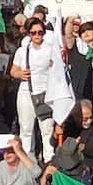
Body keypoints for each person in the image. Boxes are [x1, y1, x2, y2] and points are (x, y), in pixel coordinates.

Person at [11, 17, 64, 159]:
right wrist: (19, 74)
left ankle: (49, 160)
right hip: (26, 92)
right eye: (33, 33)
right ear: (28, 33)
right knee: (26, 129)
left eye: (40, 32)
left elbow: (59, 71)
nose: (37, 35)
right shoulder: (22, 51)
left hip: (46, 93)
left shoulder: (51, 50)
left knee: (47, 129)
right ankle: (28, 160)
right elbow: (13, 71)